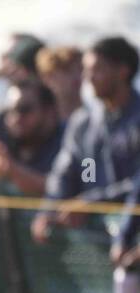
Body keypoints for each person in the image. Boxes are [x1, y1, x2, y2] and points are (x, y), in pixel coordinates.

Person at [33, 36, 140, 243]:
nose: (89, 78)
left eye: (97, 69)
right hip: (94, 241)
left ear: (122, 71)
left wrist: (92, 202)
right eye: (86, 70)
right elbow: (69, 172)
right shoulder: (83, 124)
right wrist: (48, 211)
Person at [0, 81, 64, 197]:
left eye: (24, 109)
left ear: (49, 111)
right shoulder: (4, 135)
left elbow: (59, 188)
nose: (16, 117)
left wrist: (12, 169)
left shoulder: (65, 141)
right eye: (10, 110)